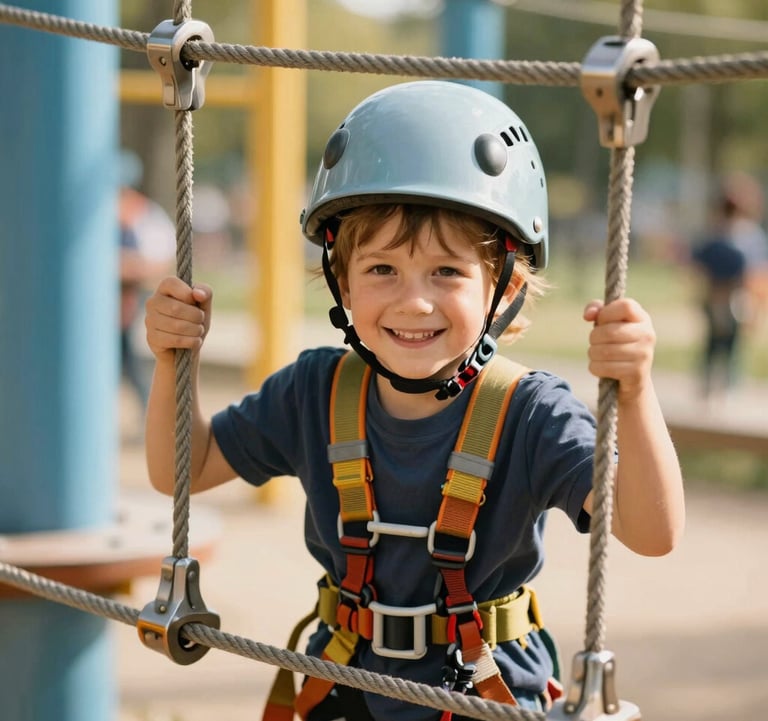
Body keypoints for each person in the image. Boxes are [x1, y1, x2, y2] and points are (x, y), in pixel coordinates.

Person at [144, 81, 685, 721]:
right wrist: (175, 360)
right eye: (381, 270)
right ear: (341, 278)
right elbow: (185, 469)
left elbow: (653, 532)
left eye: (447, 272)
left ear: (504, 287)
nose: (413, 301)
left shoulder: (532, 414)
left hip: (484, 695)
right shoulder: (314, 391)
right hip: (342, 686)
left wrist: (637, 389)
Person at [691, 172, 768, 401]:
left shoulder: (715, 234)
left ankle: (709, 385)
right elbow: (756, 273)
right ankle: (725, 388)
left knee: (713, 343)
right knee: (731, 346)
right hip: (737, 296)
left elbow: (698, 267)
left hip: (716, 295)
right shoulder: (750, 236)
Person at [118, 151, 175, 421]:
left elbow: (158, 262)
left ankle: (150, 415)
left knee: (128, 356)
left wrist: (122, 265)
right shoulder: (104, 213)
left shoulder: (143, 214)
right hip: (108, 295)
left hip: (129, 293)